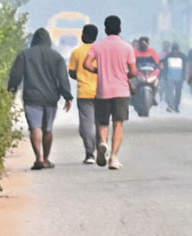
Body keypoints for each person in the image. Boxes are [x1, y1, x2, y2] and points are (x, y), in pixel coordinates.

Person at [7, 27, 74, 170]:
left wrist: (10, 92)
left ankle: (39, 157)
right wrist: (67, 96)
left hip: (31, 97)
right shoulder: (56, 57)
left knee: (35, 128)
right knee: (48, 129)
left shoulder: (24, 55)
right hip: (50, 98)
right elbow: (62, 78)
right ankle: (47, 159)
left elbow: (15, 76)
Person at [83, 15, 137, 170]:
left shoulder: (98, 46)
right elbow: (133, 71)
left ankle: (102, 143)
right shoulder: (127, 47)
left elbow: (86, 64)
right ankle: (113, 158)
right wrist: (124, 75)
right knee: (118, 123)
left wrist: (98, 71)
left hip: (103, 90)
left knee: (103, 122)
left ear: (105, 30)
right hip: (121, 90)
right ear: (120, 29)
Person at [67, 24, 100, 164]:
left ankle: (90, 153)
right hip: (101, 91)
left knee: (86, 124)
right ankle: (101, 145)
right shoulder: (100, 51)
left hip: (84, 92)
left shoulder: (77, 52)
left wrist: (79, 76)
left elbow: (72, 72)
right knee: (101, 122)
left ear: (85, 35)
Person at [133, 36, 161, 105]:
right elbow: (132, 62)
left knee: (156, 83)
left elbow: (157, 63)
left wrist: (158, 67)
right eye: (141, 44)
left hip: (150, 73)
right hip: (139, 72)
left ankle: (153, 97)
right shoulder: (135, 52)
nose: (143, 46)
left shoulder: (152, 51)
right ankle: (133, 97)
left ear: (148, 44)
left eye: (145, 44)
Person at [160, 42, 187, 112]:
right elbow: (165, 67)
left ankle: (177, 106)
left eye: (176, 50)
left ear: (178, 50)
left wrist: (184, 76)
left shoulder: (183, 56)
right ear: (172, 50)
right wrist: (165, 76)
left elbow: (185, 67)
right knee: (170, 92)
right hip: (170, 77)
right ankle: (171, 105)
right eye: (173, 50)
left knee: (178, 92)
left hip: (179, 78)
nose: (175, 52)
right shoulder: (168, 56)